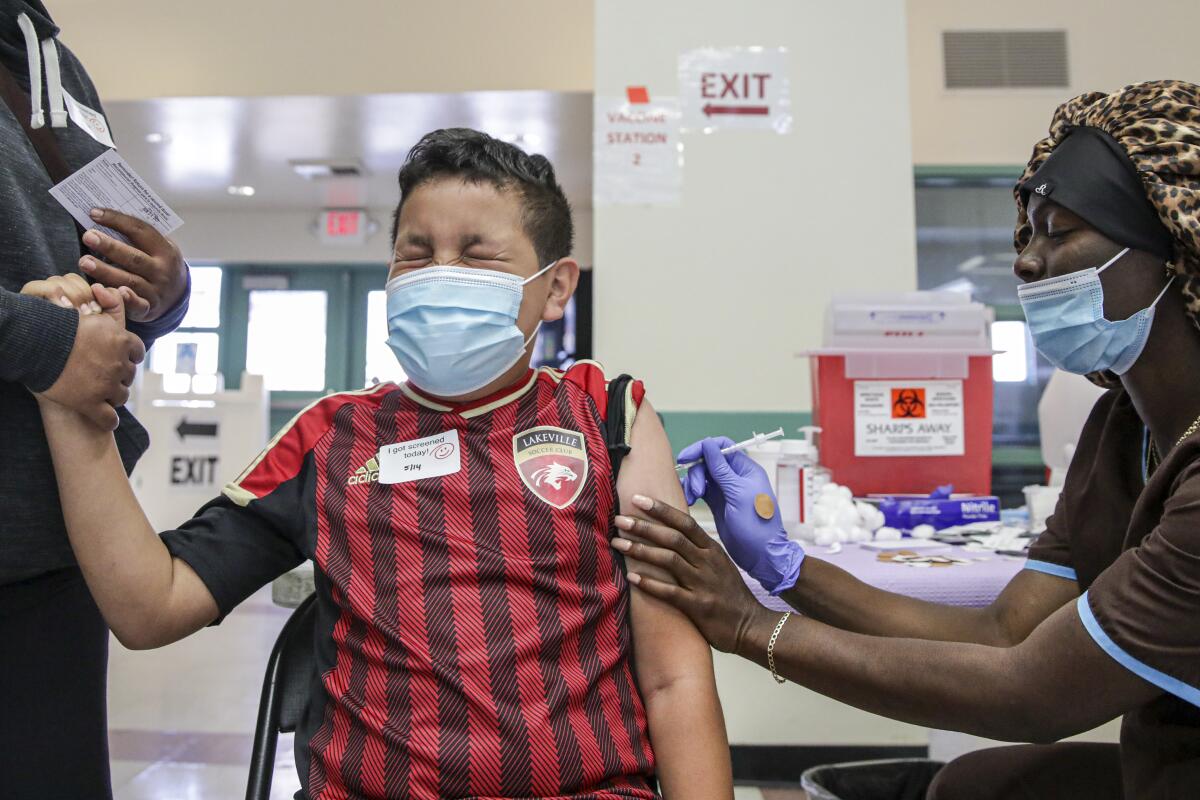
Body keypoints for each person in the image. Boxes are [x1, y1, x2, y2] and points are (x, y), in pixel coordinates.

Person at [29, 128, 732, 800]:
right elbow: (152, 605)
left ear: (555, 288)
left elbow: (674, 678)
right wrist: (70, 402)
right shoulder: (331, 436)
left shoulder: (608, 418)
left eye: (477, 254)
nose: (439, 274)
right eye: (415, 252)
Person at [610, 80, 1200, 799]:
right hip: (1163, 763)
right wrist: (787, 568)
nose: (1025, 260)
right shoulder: (1121, 432)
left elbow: (1032, 691)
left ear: (1175, 245)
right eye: (1030, 229)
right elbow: (1002, 634)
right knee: (971, 786)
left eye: (1061, 230)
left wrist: (746, 625)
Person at [0, 1, 190, 797]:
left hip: (48, 534)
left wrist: (166, 289)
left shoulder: (41, 53)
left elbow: (99, 239)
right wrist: (40, 342)